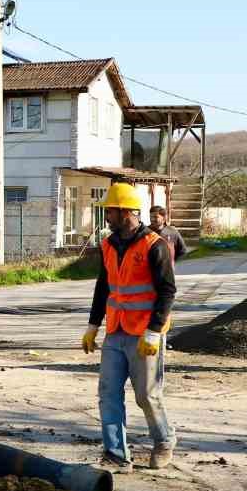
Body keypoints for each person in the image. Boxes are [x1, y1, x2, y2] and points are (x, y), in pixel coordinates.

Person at [81, 183, 178, 471]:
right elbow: (103, 286)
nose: (106, 216)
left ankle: (164, 440)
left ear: (126, 213)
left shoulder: (154, 245)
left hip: (144, 333)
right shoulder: (108, 245)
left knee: (146, 395)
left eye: (110, 211)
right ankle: (116, 455)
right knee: (108, 392)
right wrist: (92, 325)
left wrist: (154, 330)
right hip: (115, 330)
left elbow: (167, 291)